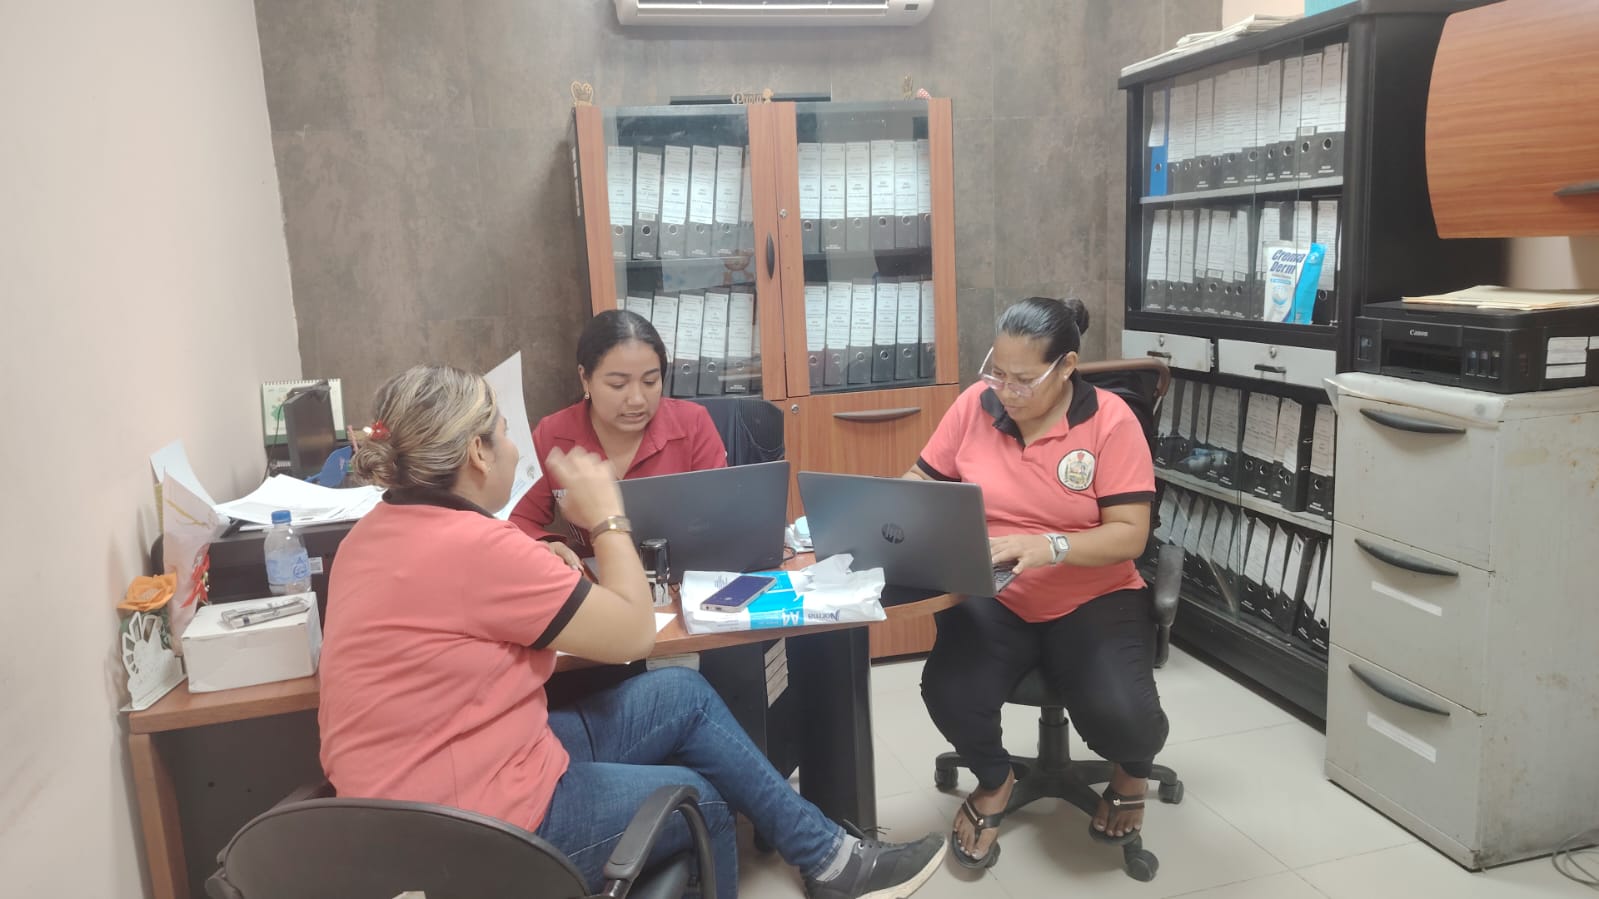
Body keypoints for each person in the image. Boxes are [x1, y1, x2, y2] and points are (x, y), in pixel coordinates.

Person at [319, 364, 943, 899]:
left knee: (680, 695)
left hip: (407, 800)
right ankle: (827, 861)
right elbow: (632, 635)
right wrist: (608, 517)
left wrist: (537, 555)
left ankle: (828, 859)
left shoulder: (373, 534)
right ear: (478, 453)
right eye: (505, 433)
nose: (515, 449)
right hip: (470, 827)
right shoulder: (476, 547)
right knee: (703, 800)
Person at [903, 297, 1169, 868]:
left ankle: (1130, 774)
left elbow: (1130, 535)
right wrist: (893, 513)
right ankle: (994, 779)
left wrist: (1050, 546)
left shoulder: (1110, 422)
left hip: (1093, 593)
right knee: (948, 689)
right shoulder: (975, 406)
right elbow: (921, 481)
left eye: (1023, 379)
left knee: (1128, 719)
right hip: (996, 593)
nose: (1006, 390)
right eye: (997, 372)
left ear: (1066, 366)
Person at [512, 310, 727, 563]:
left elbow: (720, 517)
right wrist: (544, 546)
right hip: (594, 578)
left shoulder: (693, 424)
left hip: (680, 572)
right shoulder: (553, 434)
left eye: (650, 381)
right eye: (618, 385)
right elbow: (516, 519)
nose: (636, 400)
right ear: (585, 378)